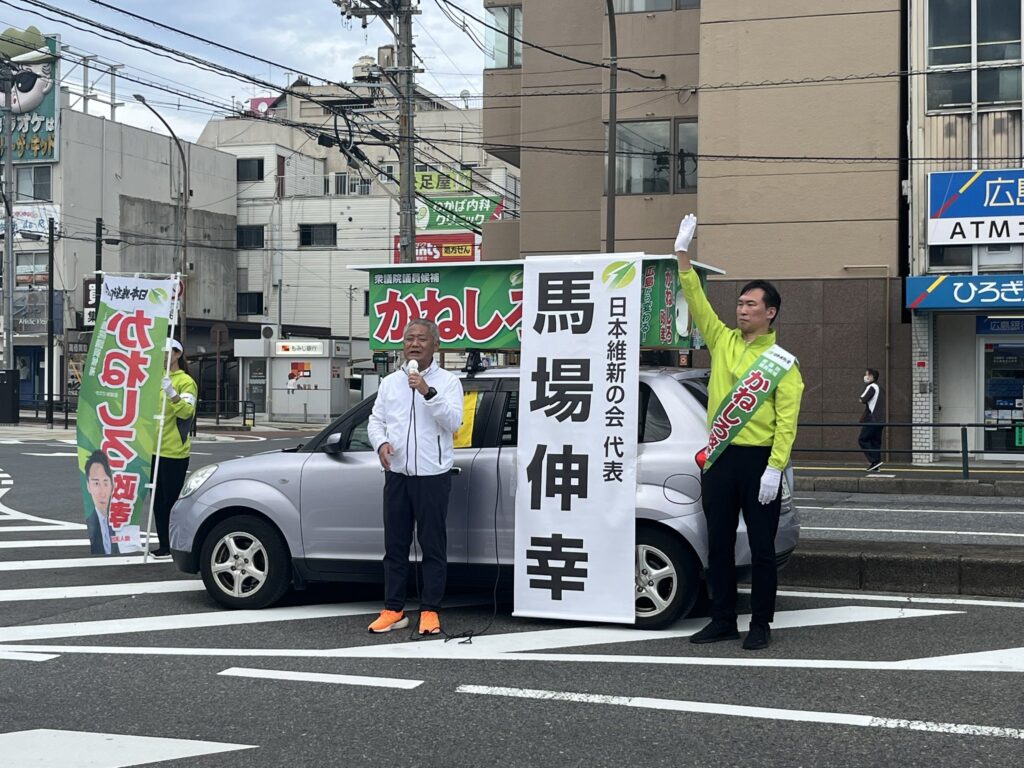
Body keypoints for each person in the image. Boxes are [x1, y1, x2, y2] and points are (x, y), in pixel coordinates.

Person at [675, 214, 804, 651]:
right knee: (719, 544)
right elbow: (696, 301)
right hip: (719, 458)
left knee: (763, 550)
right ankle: (722, 619)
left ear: (770, 313)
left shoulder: (783, 364)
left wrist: (775, 469)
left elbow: (787, 422)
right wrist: (683, 255)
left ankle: (761, 625)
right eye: (740, 304)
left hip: (759, 462)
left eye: (751, 305)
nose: (741, 309)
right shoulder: (723, 341)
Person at [366, 318, 464, 636]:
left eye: (421, 338)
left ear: (435, 344)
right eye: (409, 338)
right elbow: (376, 420)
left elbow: (453, 423)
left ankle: (430, 610)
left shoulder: (449, 382)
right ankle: (394, 609)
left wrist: (426, 390)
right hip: (397, 473)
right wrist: (380, 442)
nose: (414, 344)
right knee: (395, 545)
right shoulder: (390, 382)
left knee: (432, 544)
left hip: (433, 475)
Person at [150, 338, 198, 558]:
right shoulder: (155, 379)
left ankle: (176, 543)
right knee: (156, 500)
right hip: (152, 449)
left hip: (174, 451)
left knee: (171, 501)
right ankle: (164, 544)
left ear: (178, 354)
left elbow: (186, 412)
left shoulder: (185, 382)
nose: (163, 356)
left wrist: (172, 393)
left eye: (167, 352)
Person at [84, 450, 119, 556]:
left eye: (105, 482)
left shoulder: (121, 522)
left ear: (112, 485)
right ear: (88, 486)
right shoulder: (90, 522)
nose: (102, 491)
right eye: (96, 483)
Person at [859, 368, 885, 472]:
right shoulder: (880, 388)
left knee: (862, 439)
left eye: (867, 375)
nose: (865, 377)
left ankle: (874, 460)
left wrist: (861, 399)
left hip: (872, 419)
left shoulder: (872, 386)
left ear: (871, 376)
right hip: (881, 419)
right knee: (875, 442)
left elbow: (862, 399)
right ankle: (876, 465)